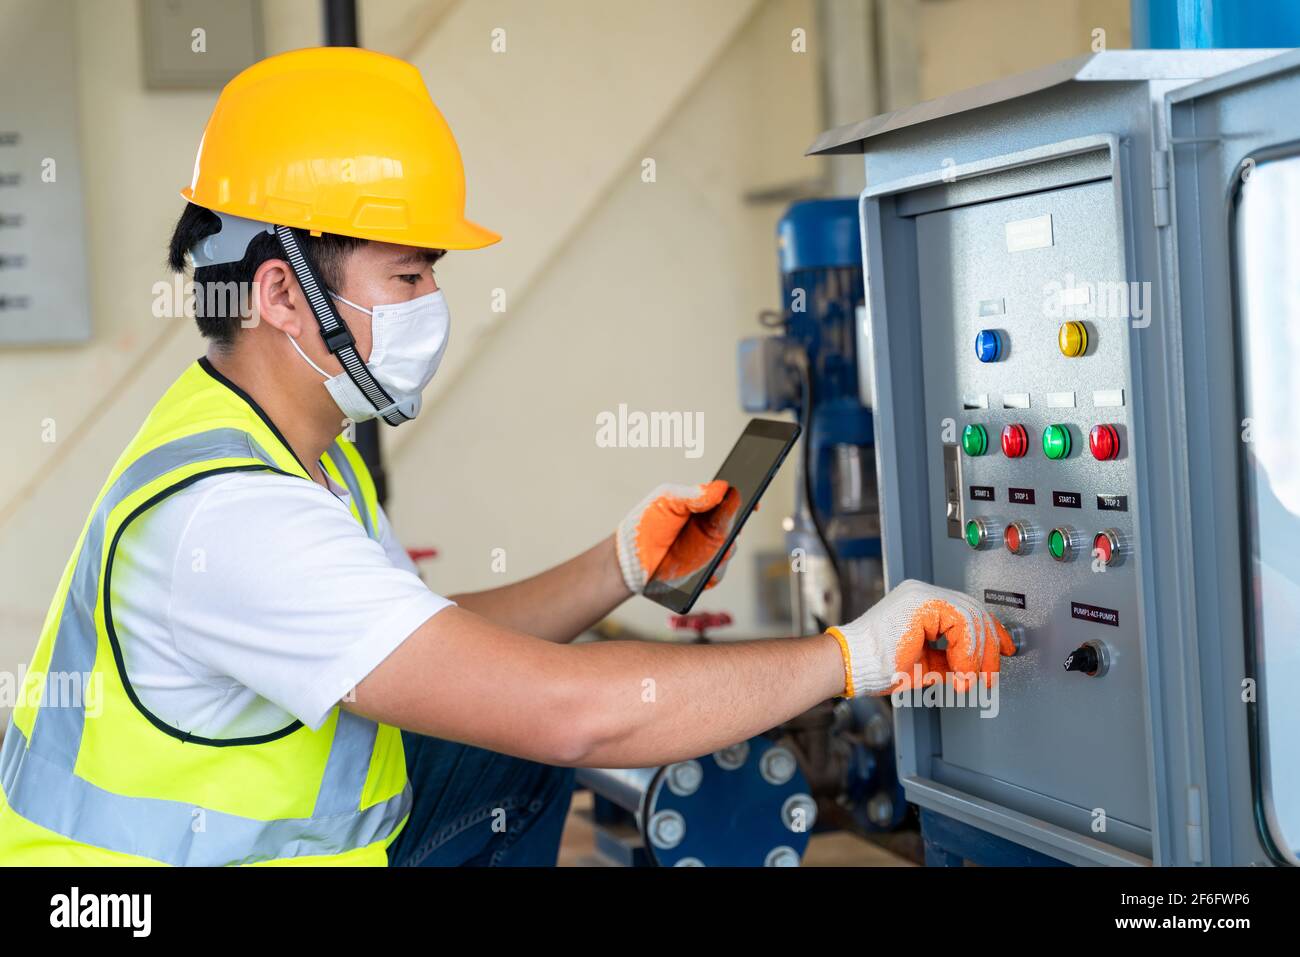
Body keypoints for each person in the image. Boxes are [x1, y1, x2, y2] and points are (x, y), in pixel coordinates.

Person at [0, 47, 1014, 866]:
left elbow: (423, 643)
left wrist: (617, 564)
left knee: (502, 754)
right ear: (276, 296)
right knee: (539, 735)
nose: (429, 308)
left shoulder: (289, 447)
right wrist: (854, 656)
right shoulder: (236, 519)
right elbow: (568, 716)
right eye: (404, 276)